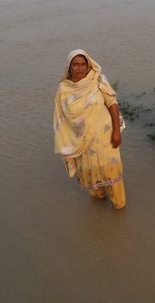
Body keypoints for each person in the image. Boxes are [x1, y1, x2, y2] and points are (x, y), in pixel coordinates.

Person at [53, 49, 126, 209]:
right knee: (89, 172)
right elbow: (61, 119)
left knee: (110, 170)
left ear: (88, 66)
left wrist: (116, 131)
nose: (79, 68)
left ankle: (119, 208)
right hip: (81, 141)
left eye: (82, 64)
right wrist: (67, 145)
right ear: (69, 67)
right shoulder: (63, 89)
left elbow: (112, 104)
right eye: (75, 65)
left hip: (105, 137)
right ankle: (99, 200)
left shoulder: (98, 80)